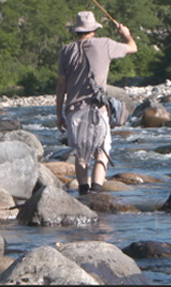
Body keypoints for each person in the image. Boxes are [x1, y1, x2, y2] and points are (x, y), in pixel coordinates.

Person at [56, 10, 137, 194]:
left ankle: (84, 193)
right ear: (93, 29)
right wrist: (126, 34)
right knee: (102, 151)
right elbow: (133, 47)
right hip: (97, 110)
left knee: (82, 155)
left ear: (77, 30)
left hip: (73, 111)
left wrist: (58, 114)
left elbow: (61, 86)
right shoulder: (105, 44)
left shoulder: (66, 51)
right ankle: (97, 192)